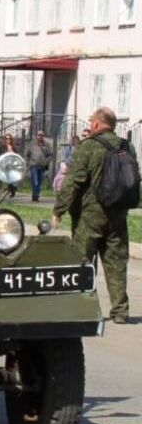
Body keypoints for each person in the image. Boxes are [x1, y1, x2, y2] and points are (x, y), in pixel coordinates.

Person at [51, 106, 132, 324]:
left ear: (97, 123)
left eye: (90, 121)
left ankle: (83, 308)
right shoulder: (126, 146)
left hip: (90, 214)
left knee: (83, 261)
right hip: (118, 214)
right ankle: (120, 311)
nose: (89, 124)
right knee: (116, 262)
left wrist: (59, 210)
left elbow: (73, 182)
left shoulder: (88, 147)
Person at [24, 130, 53, 202]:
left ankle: (36, 196)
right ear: (36, 136)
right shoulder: (31, 144)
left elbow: (50, 155)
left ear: (43, 136)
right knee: (35, 181)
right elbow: (26, 154)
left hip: (42, 166)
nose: (40, 136)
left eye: (41, 135)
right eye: (39, 135)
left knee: (39, 182)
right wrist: (27, 162)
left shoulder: (46, 144)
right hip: (34, 165)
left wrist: (46, 161)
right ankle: (35, 196)